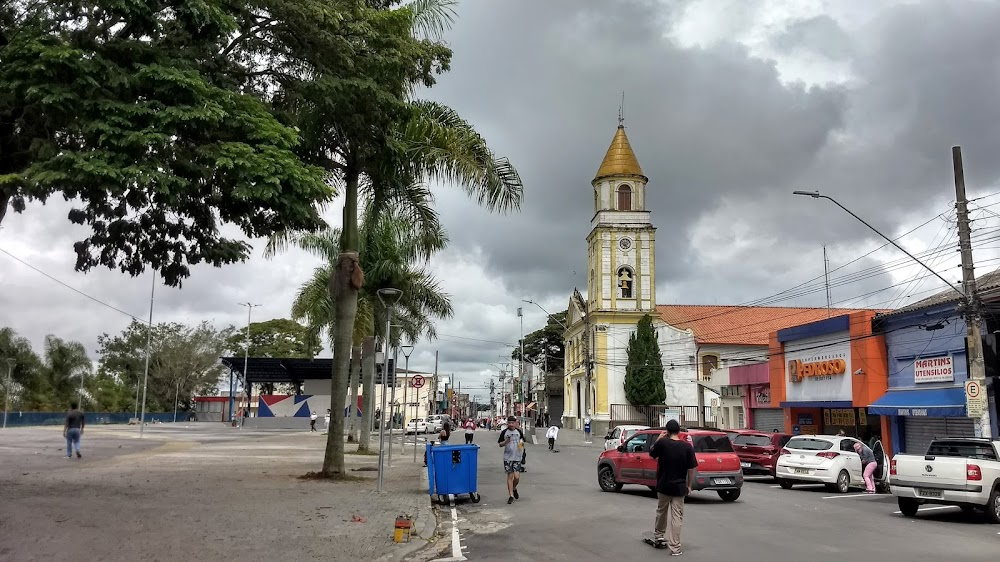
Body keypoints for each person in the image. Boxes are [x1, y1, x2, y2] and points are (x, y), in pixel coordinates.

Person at [648, 419, 697, 556]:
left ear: (667, 432)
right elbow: (691, 468)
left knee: (661, 511)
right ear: (679, 432)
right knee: (677, 517)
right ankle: (675, 547)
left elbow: (652, 454)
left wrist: (658, 439)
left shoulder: (662, 444)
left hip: (664, 485)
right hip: (679, 487)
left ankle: (659, 535)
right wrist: (689, 485)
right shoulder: (687, 447)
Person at [498, 416, 526, 504]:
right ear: (507, 423)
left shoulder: (519, 432)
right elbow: (500, 444)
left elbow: (522, 443)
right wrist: (505, 442)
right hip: (508, 458)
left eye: (512, 423)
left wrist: (521, 450)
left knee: (517, 477)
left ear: (515, 423)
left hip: (517, 457)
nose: (511, 425)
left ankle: (514, 488)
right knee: (510, 476)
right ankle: (511, 495)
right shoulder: (504, 432)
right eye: (509, 423)